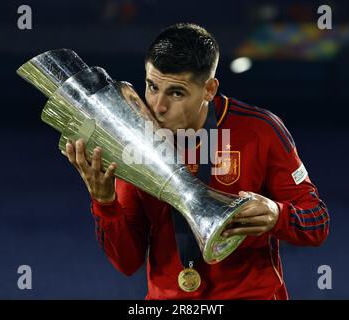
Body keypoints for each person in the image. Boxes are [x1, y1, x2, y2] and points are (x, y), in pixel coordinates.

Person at [64, 23, 330, 299]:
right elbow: (127, 262)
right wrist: (105, 203)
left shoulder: (260, 131)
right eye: (152, 86)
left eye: (176, 93)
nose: (158, 107)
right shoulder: (134, 137)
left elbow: (317, 223)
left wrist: (278, 215)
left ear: (209, 89)